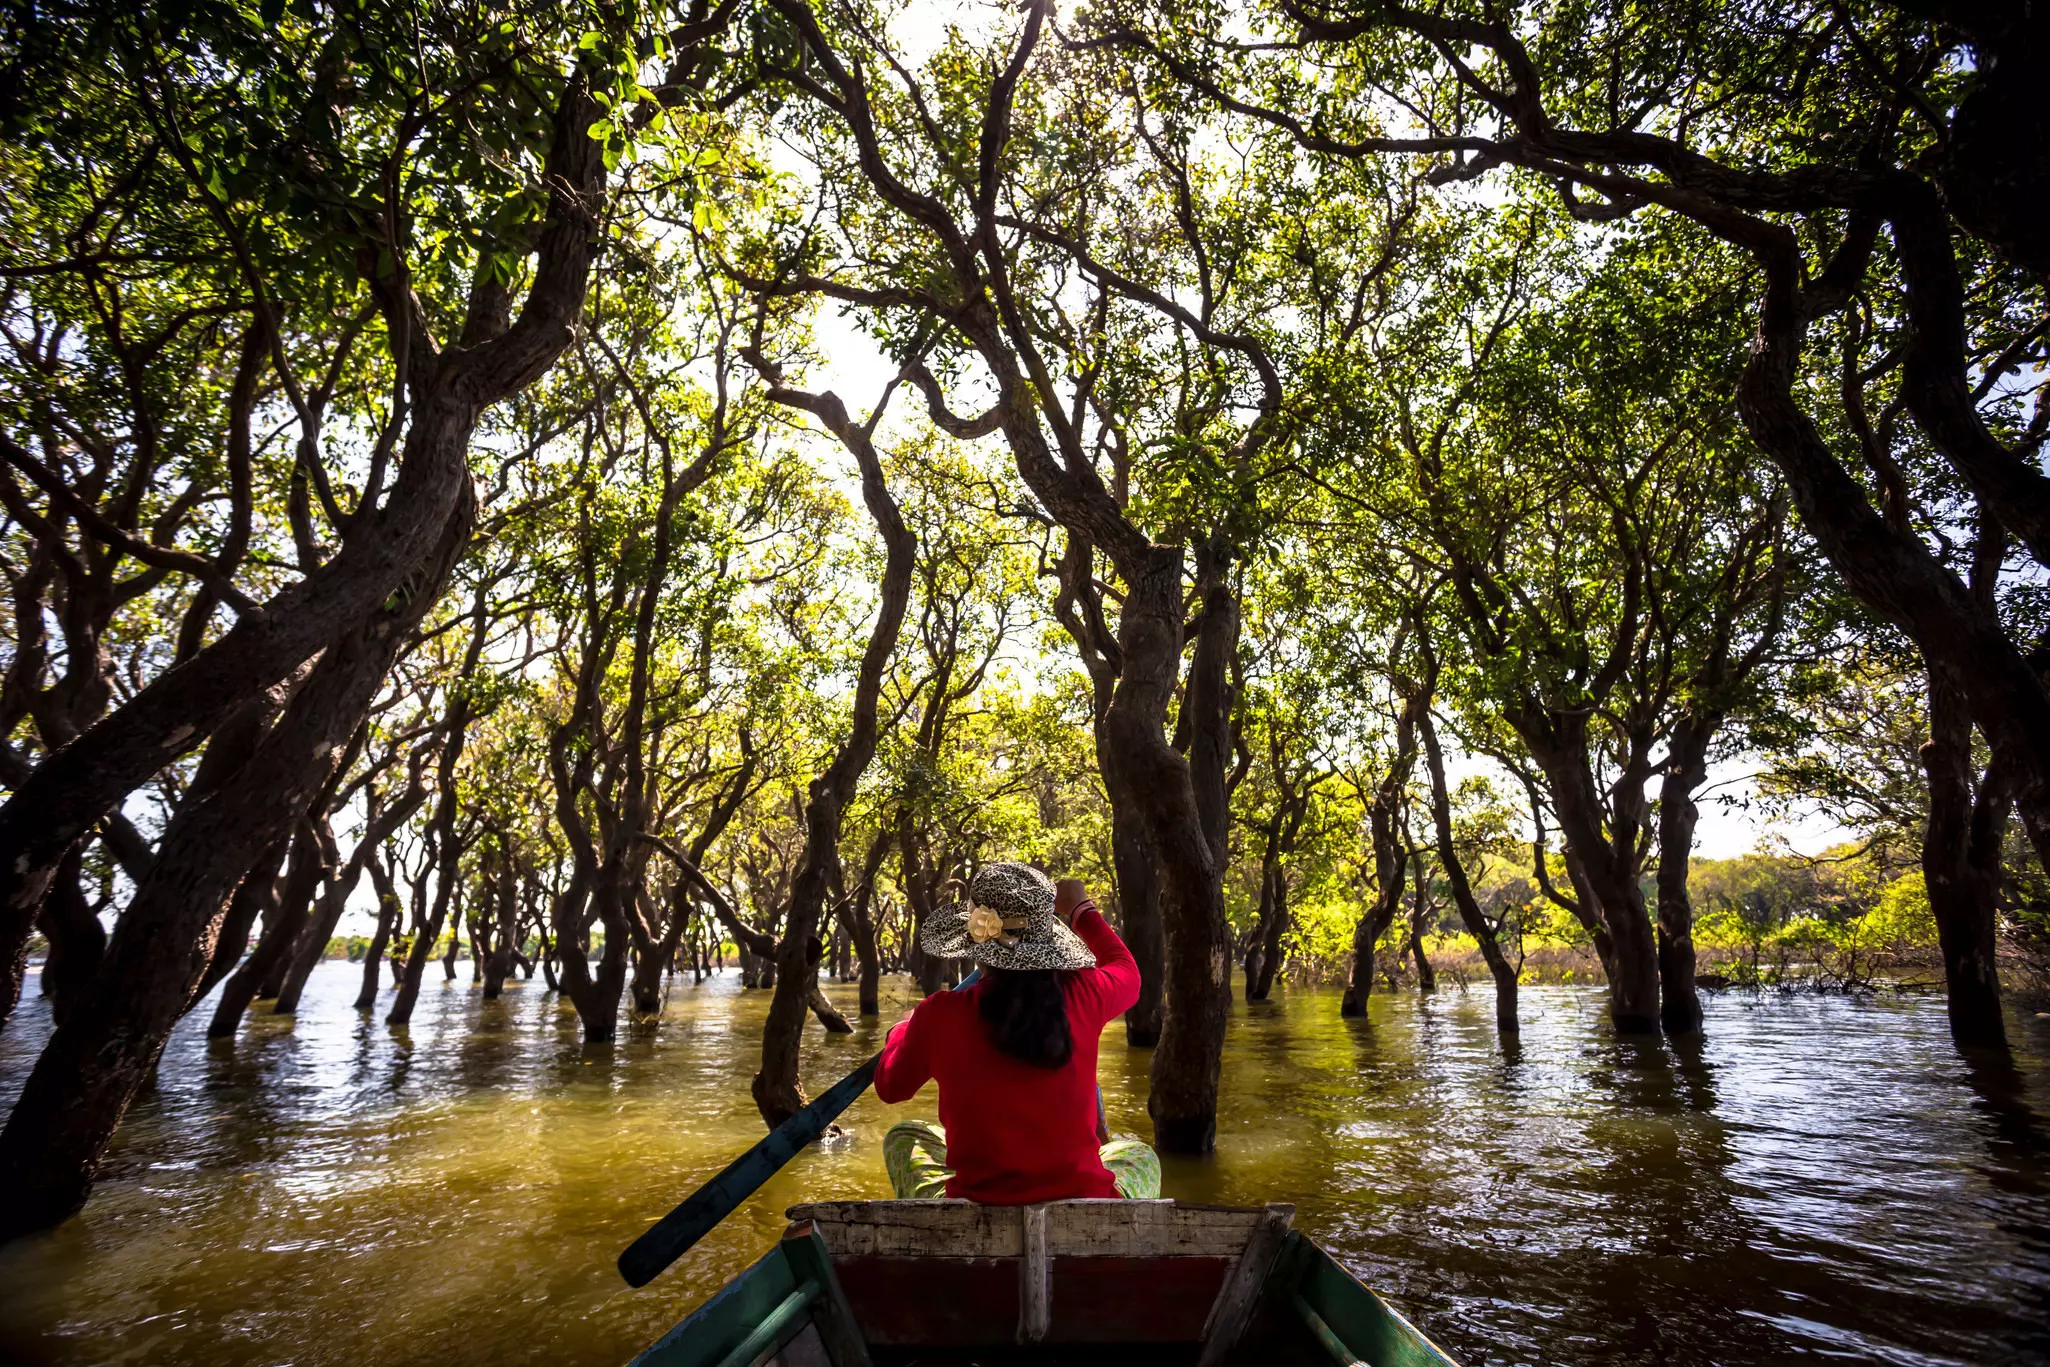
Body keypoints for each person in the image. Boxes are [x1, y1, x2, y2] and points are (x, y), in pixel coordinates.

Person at [874, 862, 1160, 1202]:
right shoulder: (1086, 993)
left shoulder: (938, 1014)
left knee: (904, 1136)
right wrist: (1082, 910)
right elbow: (1126, 970)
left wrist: (901, 1029)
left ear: (974, 941)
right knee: (1141, 1154)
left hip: (976, 1208)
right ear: (1048, 940)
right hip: (1086, 1200)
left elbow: (890, 1087)